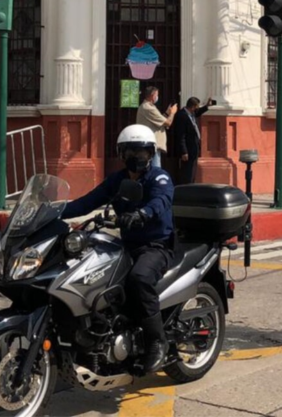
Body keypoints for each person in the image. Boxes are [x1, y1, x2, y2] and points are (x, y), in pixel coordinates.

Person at [63, 124, 174, 374]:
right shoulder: (118, 180)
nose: (136, 158)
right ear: (121, 155)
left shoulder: (159, 177)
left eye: (142, 152)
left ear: (151, 154)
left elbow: (162, 200)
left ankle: (157, 341)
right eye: (129, 152)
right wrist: (53, 211)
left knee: (140, 278)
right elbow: (88, 202)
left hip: (155, 246)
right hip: (126, 245)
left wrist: (143, 213)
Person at [173, 97, 213, 185]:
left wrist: (206, 106)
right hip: (188, 148)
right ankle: (186, 188)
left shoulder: (191, 114)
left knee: (193, 170)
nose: (197, 109)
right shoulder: (182, 115)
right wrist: (184, 151)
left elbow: (198, 113)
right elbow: (181, 135)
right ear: (193, 107)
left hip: (194, 147)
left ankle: (190, 185)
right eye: (197, 107)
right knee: (187, 171)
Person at [135, 86, 177, 169]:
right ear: (152, 95)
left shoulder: (149, 107)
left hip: (151, 143)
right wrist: (173, 113)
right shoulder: (148, 108)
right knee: (155, 168)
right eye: (156, 95)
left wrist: (167, 113)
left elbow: (159, 121)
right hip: (152, 144)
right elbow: (168, 123)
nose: (157, 97)